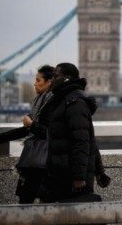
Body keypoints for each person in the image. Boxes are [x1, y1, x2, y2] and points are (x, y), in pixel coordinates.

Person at [40, 62, 108, 202]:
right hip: (58, 174)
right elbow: (90, 140)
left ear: (66, 78)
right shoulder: (60, 101)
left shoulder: (75, 103)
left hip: (71, 179)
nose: (52, 79)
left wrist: (79, 177)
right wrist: (100, 171)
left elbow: (82, 141)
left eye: (55, 76)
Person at [0, 65, 55, 203]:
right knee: (27, 199)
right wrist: (0, 136)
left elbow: (49, 133)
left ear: (49, 82)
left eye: (38, 80)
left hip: (42, 162)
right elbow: (26, 130)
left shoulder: (53, 103)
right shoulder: (40, 101)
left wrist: (32, 124)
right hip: (34, 161)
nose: (34, 83)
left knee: (33, 202)